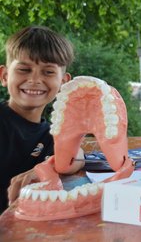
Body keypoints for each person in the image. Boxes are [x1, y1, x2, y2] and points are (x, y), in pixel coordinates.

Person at [0, 25, 84, 214]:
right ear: (4, 76)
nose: (35, 79)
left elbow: (78, 156)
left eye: (48, 72)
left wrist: (47, 167)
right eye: (24, 69)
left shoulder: (51, 135)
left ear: (64, 82)